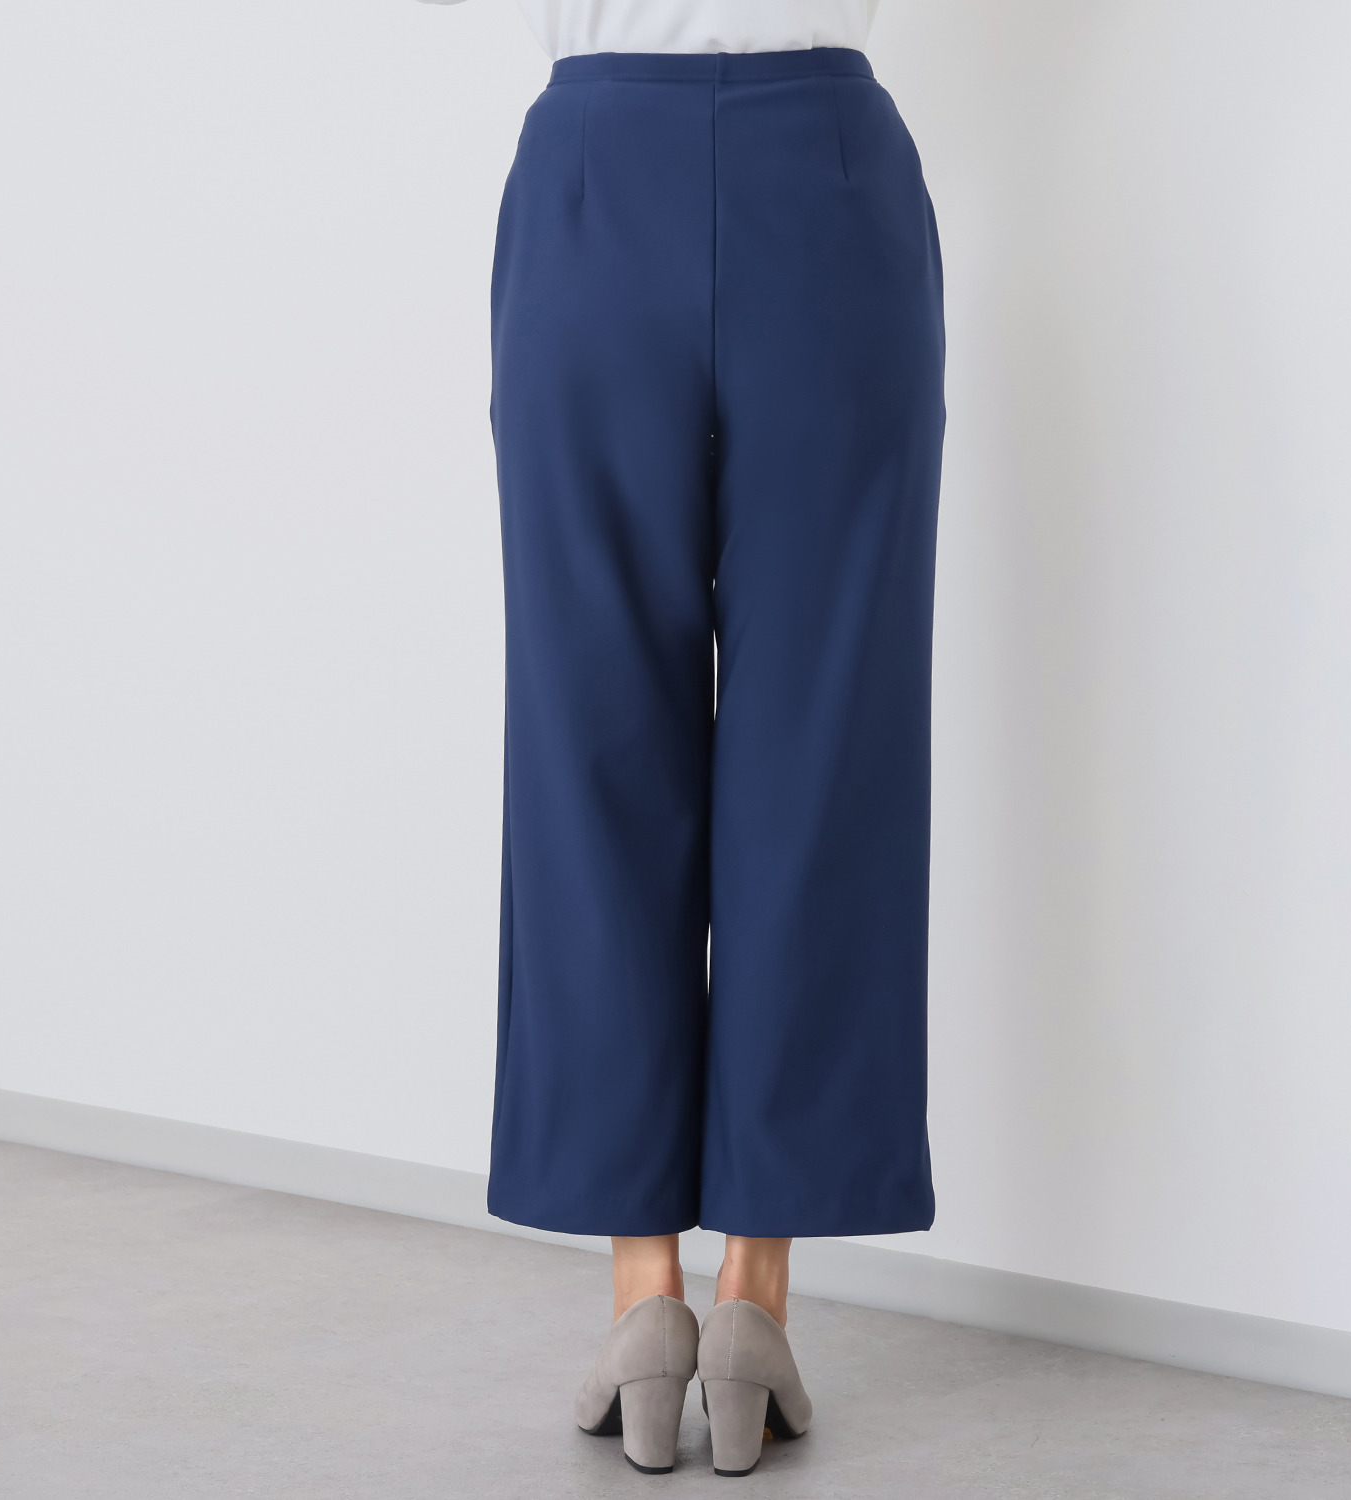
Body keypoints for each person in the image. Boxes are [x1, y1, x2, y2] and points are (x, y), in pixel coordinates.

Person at [420, 0, 946, 1476]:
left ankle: (643, 1295)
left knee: (591, 744)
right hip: (831, 180)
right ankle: (753, 1300)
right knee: (822, 753)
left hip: (594, 175)